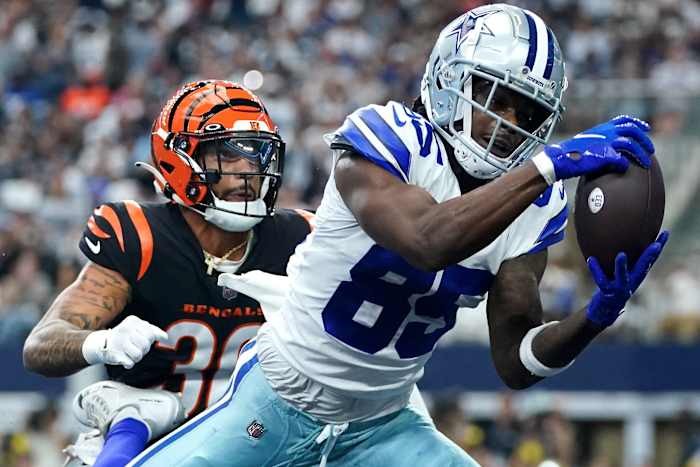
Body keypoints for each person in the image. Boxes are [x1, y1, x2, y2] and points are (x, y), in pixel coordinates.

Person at [129, 5, 668, 467]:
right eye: (495, 96)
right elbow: (427, 241)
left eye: (526, 112)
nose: (507, 122)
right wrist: (544, 168)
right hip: (281, 397)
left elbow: (515, 362)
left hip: (384, 424)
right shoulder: (390, 139)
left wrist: (594, 318)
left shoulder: (537, 203)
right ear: (449, 81)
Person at [22, 80, 315, 466]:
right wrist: (102, 342)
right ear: (179, 159)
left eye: (257, 155)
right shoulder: (141, 238)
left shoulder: (300, 240)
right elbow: (40, 346)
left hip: (257, 445)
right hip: (151, 441)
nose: (248, 170)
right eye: (226, 155)